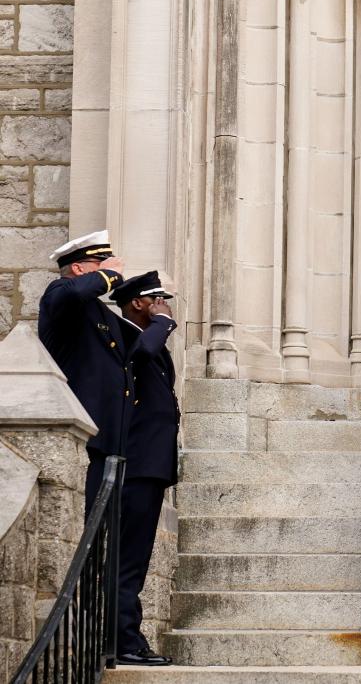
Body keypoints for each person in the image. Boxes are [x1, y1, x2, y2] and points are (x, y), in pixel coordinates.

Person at [110, 271, 179, 667]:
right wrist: (163, 325)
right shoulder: (125, 335)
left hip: (150, 464)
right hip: (138, 463)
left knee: (134, 558)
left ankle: (126, 637)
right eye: (158, 299)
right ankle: (124, 642)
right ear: (139, 303)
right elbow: (139, 357)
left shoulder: (142, 336)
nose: (164, 305)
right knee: (129, 559)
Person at [36, 230, 135, 508]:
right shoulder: (59, 292)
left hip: (107, 430)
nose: (109, 268)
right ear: (78, 268)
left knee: (101, 513)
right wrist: (111, 276)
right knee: (85, 511)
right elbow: (76, 291)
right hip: (86, 425)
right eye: (99, 264)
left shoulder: (96, 310)